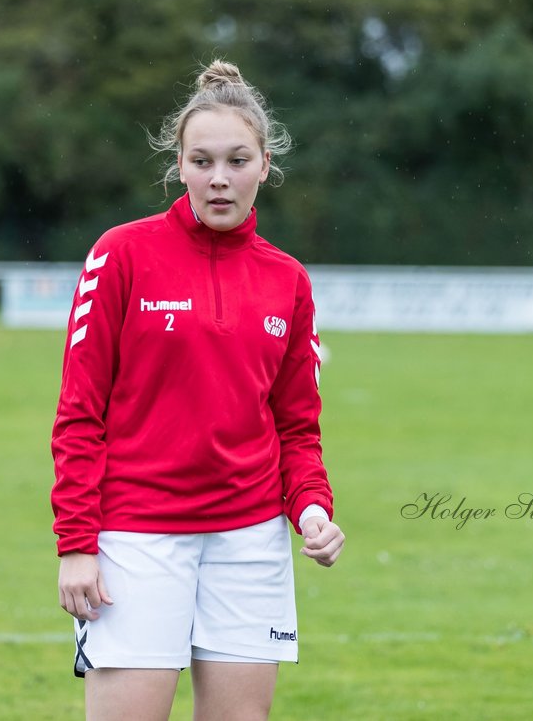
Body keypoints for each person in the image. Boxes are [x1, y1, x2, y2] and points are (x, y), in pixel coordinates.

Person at [50, 60, 345, 719]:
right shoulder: (120, 255)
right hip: (136, 537)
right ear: (178, 166)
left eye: (237, 160)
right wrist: (76, 544)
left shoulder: (288, 281)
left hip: (249, 541)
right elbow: (79, 413)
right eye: (203, 160)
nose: (219, 178)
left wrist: (312, 510)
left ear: (264, 165)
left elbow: (297, 427)